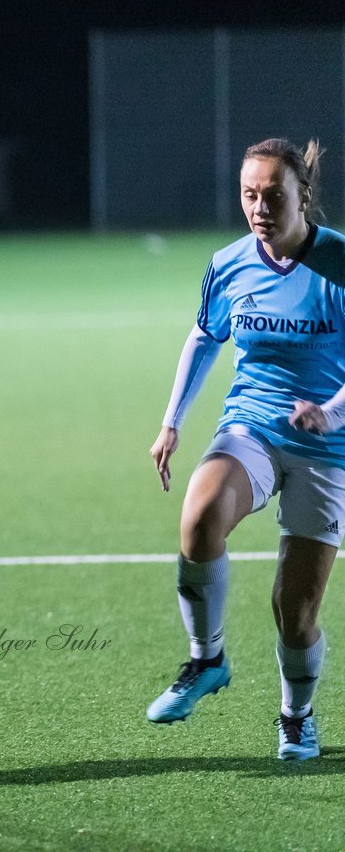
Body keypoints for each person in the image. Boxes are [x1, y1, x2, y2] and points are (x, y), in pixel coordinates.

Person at [148, 138, 345, 760]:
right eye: (249, 195)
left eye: (274, 195)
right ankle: (207, 659)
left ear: (302, 198)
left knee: (295, 610)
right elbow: (206, 336)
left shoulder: (338, 263)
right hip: (252, 425)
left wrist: (331, 411)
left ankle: (296, 714)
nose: (259, 207)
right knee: (200, 516)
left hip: (329, 446)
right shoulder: (229, 263)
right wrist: (171, 421)